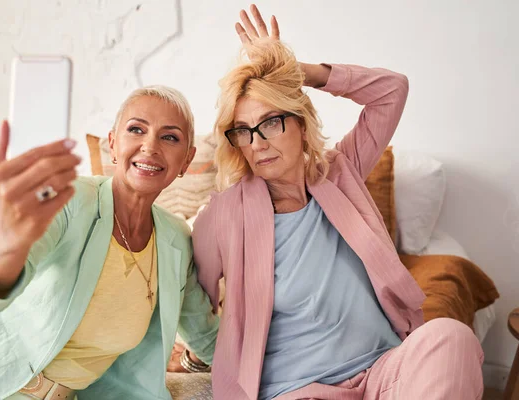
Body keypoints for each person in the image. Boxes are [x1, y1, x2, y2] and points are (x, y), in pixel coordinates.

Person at [191, 5, 484, 400]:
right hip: (298, 390)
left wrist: (302, 73)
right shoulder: (223, 215)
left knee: (450, 336)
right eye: (243, 131)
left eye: (270, 123)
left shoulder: (341, 174)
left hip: (383, 372)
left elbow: (392, 90)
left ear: (300, 122)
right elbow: (194, 303)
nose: (257, 142)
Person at [0, 85, 218, 399]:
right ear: (113, 144)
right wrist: (6, 239)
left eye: (169, 137)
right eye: (136, 129)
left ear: (187, 159)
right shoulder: (70, 199)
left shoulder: (177, 242)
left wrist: (270, 372)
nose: (150, 146)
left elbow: (207, 336)